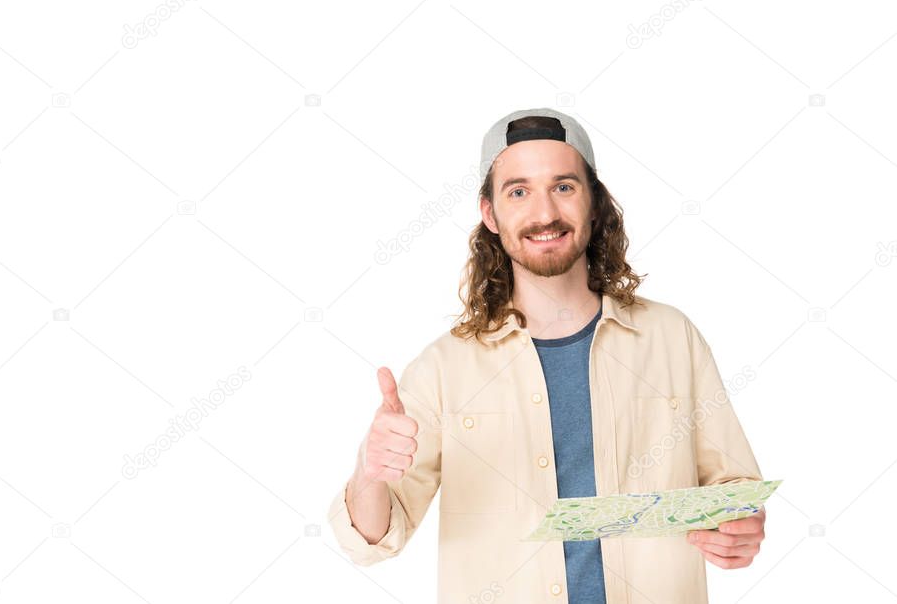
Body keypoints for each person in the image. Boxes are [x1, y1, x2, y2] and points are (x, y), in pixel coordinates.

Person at [327, 108, 767, 603]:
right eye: (519, 191)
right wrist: (370, 471)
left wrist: (742, 527)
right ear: (490, 213)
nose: (544, 214)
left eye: (563, 187)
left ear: (594, 203)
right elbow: (371, 540)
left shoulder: (672, 338)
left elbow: (736, 491)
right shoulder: (441, 370)